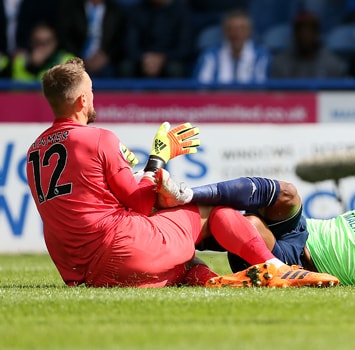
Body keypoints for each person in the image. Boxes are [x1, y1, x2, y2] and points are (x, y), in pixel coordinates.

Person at [27, 57, 338, 289]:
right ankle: (274, 266)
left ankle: (214, 281)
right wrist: (159, 158)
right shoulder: (98, 138)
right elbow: (139, 204)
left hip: (86, 274)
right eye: (92, 91)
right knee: (211, 209)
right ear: (83, 99)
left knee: (177, 250)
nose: (94, 97)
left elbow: (80, 206)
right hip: (124, 250)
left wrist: (137, 176)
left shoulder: (34, 152)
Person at [154, 173, 355, 289]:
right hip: (300, 229)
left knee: (239, 221)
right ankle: (187, 195)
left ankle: (159, 235)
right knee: (287, 192)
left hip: (298, 259)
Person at [193, 9, 270, 84]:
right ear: (224, 32)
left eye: (241, 28)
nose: (236, 34)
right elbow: (202, 89)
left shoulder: (261, 56)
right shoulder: (210, 55)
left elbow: (261, 89)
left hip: (249, 97)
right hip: (218, 97)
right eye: (231, 29)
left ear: (249, 31)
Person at [118, 0, 193, 78]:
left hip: (169, 58)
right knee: (126, 67)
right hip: (141, 58)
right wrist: (144, 58)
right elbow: (129, 45)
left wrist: (162, 58)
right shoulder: (136, 10)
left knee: (175, 68)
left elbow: (184, 47)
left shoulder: (182, 11)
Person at [57, 0, 127, 78]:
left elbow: (120, 39)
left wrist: (106, 56)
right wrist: (81, 59)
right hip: (76, 59)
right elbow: (65, 38)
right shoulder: (71, 8)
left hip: (107, 61)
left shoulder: (116, 10)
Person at [270, 11, 346, 79]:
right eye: (300, 31)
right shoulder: (280, 63)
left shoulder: (333, 65)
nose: (305, 36)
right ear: (294, 35)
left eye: (309, 31)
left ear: (317, 35)